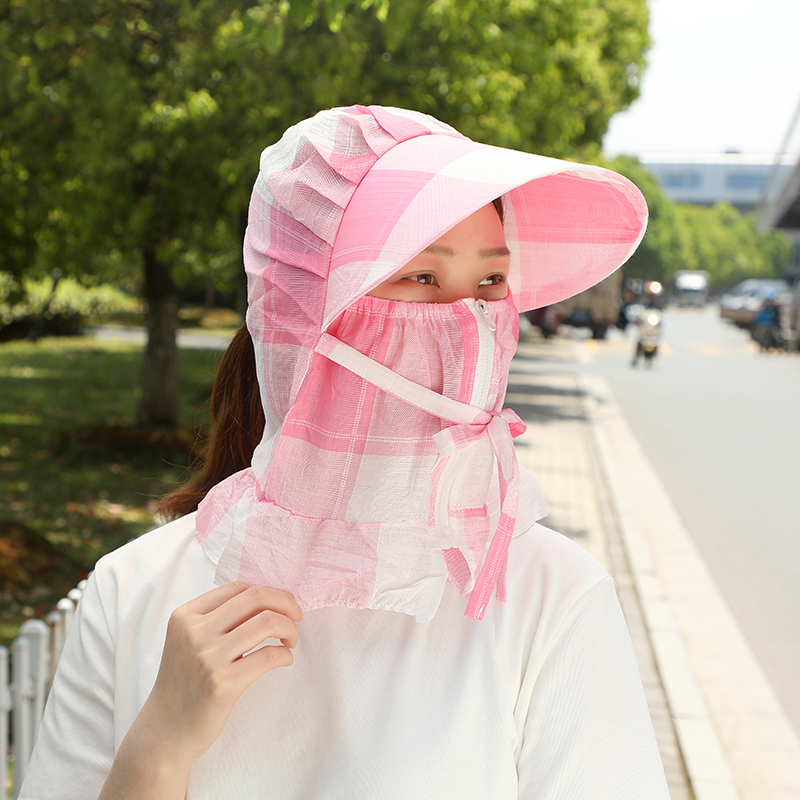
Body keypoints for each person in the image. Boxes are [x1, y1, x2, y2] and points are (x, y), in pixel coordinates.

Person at [20, 105, 669, 799]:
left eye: (489, 283)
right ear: (304, 315)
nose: (468, 323)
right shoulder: (133, 590)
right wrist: (156, 749)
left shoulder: (550, 595)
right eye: (420, 278)